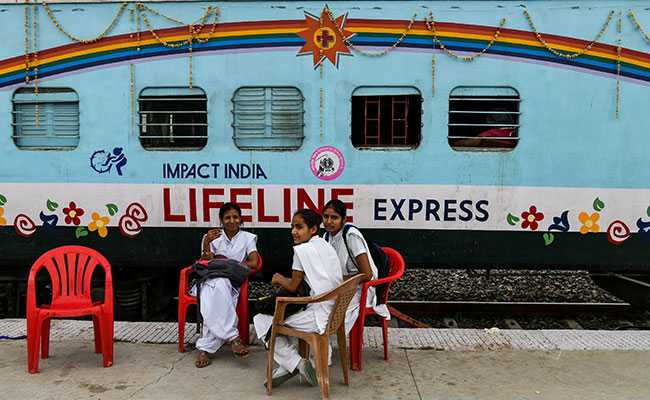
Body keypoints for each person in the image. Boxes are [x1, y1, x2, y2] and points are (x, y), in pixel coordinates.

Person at [253, 209, 343, 388]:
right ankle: (290, 365)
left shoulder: (301, 250)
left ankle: (295, 363)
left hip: (319, 317)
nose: (294, 231)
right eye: (292, 227)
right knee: (283, 318)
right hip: (335, 313)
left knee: (262, 321)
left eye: (299, 227)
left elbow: (293, 285)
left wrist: (278, 279)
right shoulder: (324, 244)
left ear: (313, 229)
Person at [194, 202, 259, 368]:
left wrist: (230, 264)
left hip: (232, 281)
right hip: (210, 279)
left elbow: (254, 261)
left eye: (235, 217)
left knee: (218, 290)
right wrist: (207, 242)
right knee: (214, 290)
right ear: (221, 220)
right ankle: (233, 338)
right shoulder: (213, 236)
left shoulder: (248, 238)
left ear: (240, 219)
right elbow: (205, 261)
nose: (232, 221)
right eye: (227, 217)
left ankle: (205, 348)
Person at [322, 199, 389, 334]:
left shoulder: (351, 235)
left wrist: (341, 280)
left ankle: (326, 341)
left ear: (344, 219)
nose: (329, 221)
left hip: (363, 288)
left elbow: (367, 274)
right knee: (317, 304)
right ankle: (320, 342)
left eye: (334, 217)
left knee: (333, 310)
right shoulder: (326, 237)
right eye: (326, 217)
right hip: (342, 286)